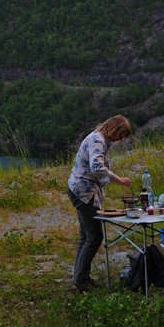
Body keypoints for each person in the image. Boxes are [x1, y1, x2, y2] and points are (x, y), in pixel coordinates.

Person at [67, 115, 132, 291]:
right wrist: (119, 179)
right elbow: (96, 167)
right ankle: (79, 281)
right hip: (83, 192)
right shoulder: (98, 140)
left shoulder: (98, 138)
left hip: (79, 189)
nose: (120, 140)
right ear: (115, 129)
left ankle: (80, 278)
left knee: (86, 236)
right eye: (121, 135)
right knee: (94, 237)